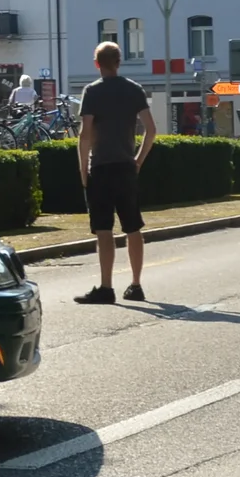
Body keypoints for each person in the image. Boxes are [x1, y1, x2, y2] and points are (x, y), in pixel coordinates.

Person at [75, 40, 156, 304]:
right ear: (119, 62)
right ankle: (136, 284)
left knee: (104, 229)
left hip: (100, 166)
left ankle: (106, 287)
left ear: (97, 63)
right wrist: (138, 160)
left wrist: (83, 170)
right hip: (125, 167)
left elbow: (85, 134)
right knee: (133, 227)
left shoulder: (92, 92)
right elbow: (150, 130)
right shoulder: (134, 90)